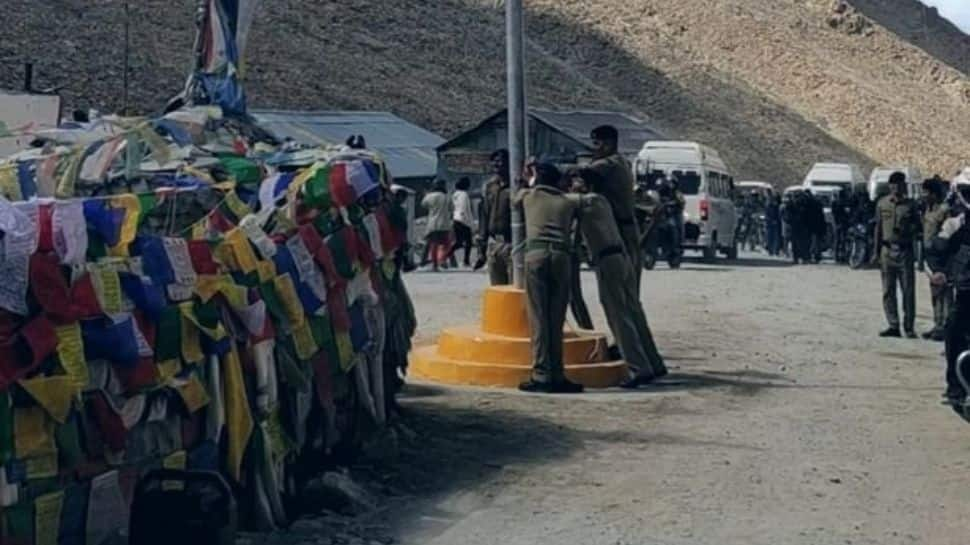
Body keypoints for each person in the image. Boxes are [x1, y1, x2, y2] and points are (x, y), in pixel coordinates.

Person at [571, 175, 668, 388]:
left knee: (618, 316)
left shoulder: (586, 201)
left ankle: (637, 367)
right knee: (632, 311)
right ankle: (652, 362)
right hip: (621, 257)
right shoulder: (602, 201)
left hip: (607, 260)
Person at [515, 162, 584, 394]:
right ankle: (558, 373)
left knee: (538, 318)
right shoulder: (567, 202)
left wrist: (527, 177)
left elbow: (516, 198)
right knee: (556, 319)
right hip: (561, 257)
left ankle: (541, 374)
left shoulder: (527, 196)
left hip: (535, 254)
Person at [574, 126, 642, 291]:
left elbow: (583, 172)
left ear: (608, 144)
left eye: (597, 143)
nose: (594, 148)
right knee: (627, 289)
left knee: (618, 289)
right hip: (622, 229)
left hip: (618, 231)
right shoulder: (621, 162)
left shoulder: (611, 164)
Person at [925, 182, 970, 404]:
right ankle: (956, 387)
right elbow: (935, 251)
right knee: (953, 332)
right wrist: (939, 272)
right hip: (965, 294)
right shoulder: (957, 225)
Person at [873, 172, 920, 338]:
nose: (896, 187)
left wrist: (908, 230)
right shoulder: (882, 203)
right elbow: (878, 228)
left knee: (908, 290)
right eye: (893, 184)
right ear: (890, 186)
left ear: (904, 186)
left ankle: (909, 327)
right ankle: (893, 325)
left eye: (900, 184)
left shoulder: (911, 205)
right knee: (888, 290)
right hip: (886, 251)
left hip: (904, 251)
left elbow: (918, 228)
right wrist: (876, 252)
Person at [476, 150, 513, 284]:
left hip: (512, 244)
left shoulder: (516, 186)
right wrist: (481, 249)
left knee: (515, 288)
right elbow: (484, 217)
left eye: (500, 160)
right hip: (494, 244)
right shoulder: (489, 187)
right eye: (494, 161)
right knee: (498, 289)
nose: (496, 164)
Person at [921, 178, 951, 341]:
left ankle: (946, 327)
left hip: (942, 256)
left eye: (926, 192)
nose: (923, 195)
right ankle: (937, 324)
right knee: (935, 293)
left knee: (944, 293)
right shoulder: (928, 209)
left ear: (933, 193)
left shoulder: (944, 209)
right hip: (930, 255)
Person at [420, 180, 453, 272]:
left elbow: (423, 205)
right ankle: (442, 259)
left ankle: (435, 265)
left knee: (433, 245)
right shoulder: (447, 197)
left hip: (433, 224)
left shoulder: (429, 196)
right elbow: (452, 208)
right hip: (445, 224)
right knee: (446, 244)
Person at [448, 177, 476, 267]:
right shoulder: (464, 195)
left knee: (459, 242)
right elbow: (464, 208)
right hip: (463, 220)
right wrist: (470, 223)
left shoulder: (455, 194)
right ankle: (466, 261)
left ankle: (446, 256)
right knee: (468, 242)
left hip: (456, 219)